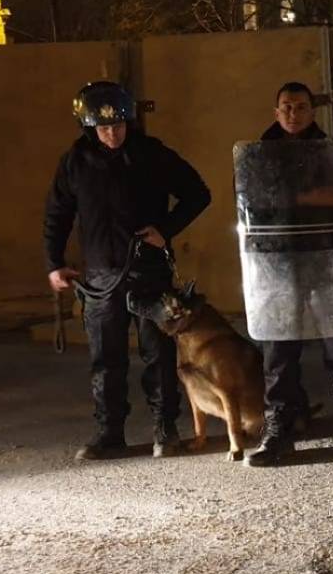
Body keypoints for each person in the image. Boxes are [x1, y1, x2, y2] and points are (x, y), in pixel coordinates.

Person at [44, 81, 211, 460]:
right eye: (104, 128)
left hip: (148, 273)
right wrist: (54, 263)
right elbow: (57, 214)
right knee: (106, 360)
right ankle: (110, 433)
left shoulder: (152, 154)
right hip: (100, 279)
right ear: (90, 127)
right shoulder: (74, 162)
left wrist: (165, 229)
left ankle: (165, 428)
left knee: (159, 355)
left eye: (118, 125)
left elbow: (198, 193)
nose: (112, 134)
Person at [244, 81, 333, 468]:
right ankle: (280, 425)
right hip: (276, 264)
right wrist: (309, 198)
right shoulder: (258, 156)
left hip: (327, 262)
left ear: (311, 111)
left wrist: (288, 199)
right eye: (286, 106)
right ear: (276, 112)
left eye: (300, 106)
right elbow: (251, 201)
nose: (293, 113)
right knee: (279, 350)